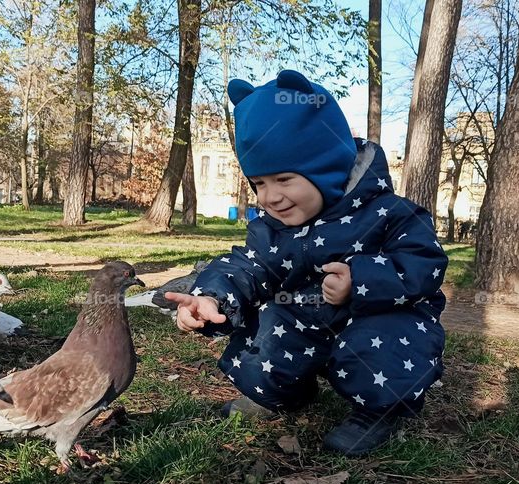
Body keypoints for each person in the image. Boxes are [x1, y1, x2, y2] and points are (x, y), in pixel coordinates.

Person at [165, 70, 448, 456]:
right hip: (311, 322)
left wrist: (361, 279)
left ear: (327, 167)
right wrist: (211, 297)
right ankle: (284, 393)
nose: (271, 197)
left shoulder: (389, 213)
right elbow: (247, 266)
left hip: (377, 318)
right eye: (259, 184)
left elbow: (425, 263)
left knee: (383, 340)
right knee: (268, 325)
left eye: (283, 179)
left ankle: (381, 409)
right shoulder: (273, 228)